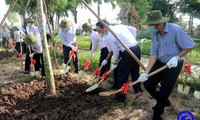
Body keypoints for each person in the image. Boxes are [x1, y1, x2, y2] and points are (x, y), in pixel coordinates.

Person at [138, 10, 195, 120]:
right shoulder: (154, 33)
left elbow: (190, 45)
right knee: (148, 83)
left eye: (150, 25)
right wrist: (146, 72)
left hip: (174, 65)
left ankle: (157, 114)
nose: (148, 27)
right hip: (160, 62)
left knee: (165, 90)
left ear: (158, 24)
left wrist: (177, 57)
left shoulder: (176, 30)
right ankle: (164, 100)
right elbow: (153, 54)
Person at [96, 20, 143, 102]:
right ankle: (138, 90)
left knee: (122, 74)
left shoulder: (110, 36)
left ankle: (120, 97)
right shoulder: (119, 26)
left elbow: (116, 52)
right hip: (136, 48)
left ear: (104, 27)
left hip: (128, 51)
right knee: (135, 71)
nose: (100, 32)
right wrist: (132, 41)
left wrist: (114, 62)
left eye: (100, 30)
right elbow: (133, 29)